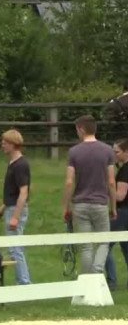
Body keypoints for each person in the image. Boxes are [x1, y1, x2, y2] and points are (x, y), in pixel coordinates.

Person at [62, 115, 116, 276]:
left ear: (81, 129)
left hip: (80, 204)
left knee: (85, 245)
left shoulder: (74, 152)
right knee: (103, 242)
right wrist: (113, 207)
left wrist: (66, 206)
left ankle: (87, 278)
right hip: (100, 203)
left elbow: (69, 182)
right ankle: (98, 272)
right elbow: (111, 182)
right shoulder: (107, 150)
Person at [0, 129, 32, 285]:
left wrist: (15, 216)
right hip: (10, 208)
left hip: (16, 209)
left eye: (5, 143)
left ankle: (24, 282)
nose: (2, 145)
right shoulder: (12, 163)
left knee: (15, 248)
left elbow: (23, 192)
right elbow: (12, 193)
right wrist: (1, 210)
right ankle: (23, 280)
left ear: (14, 144)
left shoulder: (21, 165)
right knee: (14, 247)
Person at [104, 138, 128, 289]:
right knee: (126, 248)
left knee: (103, 245)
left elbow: (120, 196)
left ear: (126, 152)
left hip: (123, 213)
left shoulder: (125, 171)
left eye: (117, 152)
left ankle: (111, 281)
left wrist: (106, 187)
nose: (114, 154)